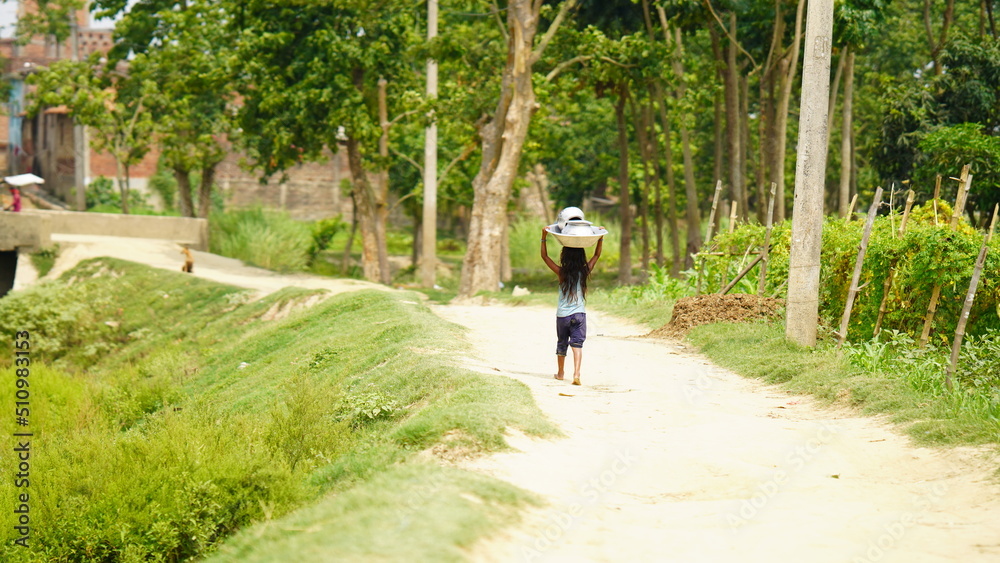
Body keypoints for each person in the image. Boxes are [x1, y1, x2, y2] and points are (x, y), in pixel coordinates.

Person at [541, 226, 603, 386]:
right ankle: (576, 373)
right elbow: (596, 255)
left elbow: (544, 256)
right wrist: (600, 236)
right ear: (581, 257)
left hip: (563, 315)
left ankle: (561, 373)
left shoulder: (561, 273)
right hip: (579, 314)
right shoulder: (584, 272)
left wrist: (544, 236)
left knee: (562, 342)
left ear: (564, 257)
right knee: (577, 344)